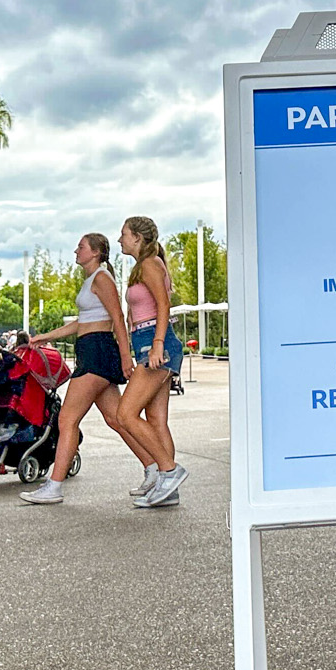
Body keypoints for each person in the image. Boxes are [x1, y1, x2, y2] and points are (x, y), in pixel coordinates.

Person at [21, 234, 139, 507]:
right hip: (90, 347)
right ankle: (155, 469)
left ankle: (54, 485)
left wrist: (125, 357)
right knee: (116, 419)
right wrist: (45, 336)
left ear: (96, 253)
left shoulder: (101, 278)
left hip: (97, 350)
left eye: (81, 247)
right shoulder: (92, 280)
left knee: (67, 419)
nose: (76, 250)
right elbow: (82, 322)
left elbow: (117, 317)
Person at [113, 216, 187, 509]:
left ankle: (169, 470)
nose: (120, 240)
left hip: (157, 344)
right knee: (156, 420)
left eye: (123, 234)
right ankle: (168, 489)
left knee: (125, 414)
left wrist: (156, 346)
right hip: (147, 341)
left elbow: (163, 305)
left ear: (137, 238)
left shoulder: (150, 264)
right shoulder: (143, 265)